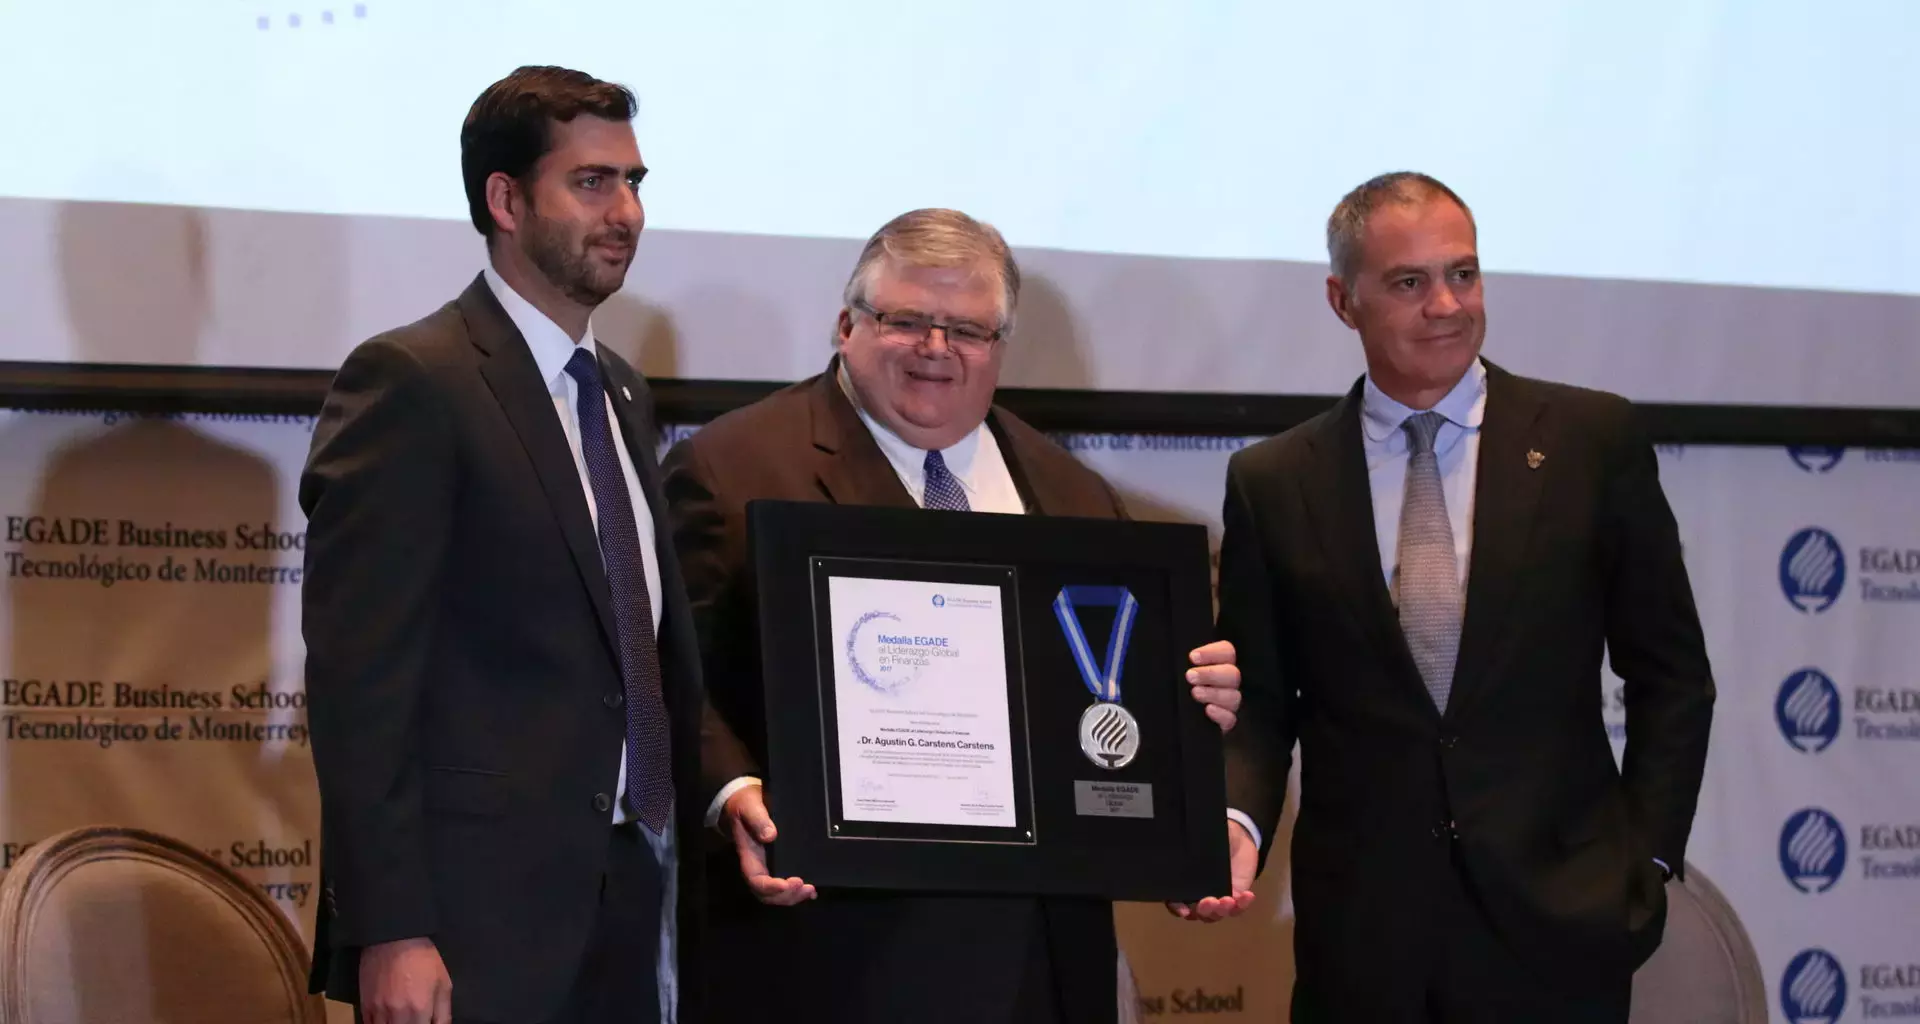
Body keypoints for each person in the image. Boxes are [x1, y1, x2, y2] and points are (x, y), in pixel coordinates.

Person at [660, 208, 1246, 1024]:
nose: (938, 350)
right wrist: (730, 789)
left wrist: (1188, 711)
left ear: (1001, 347)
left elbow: (1111, 700)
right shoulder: (731, 467)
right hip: (830, 952)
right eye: (906, 321)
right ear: (846, 325)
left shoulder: (1074, 495)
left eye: (968, 330)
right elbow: (666, 671)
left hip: (1039, 959)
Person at [1179, 172, 1715, 1022]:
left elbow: (1674, 676)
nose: (1446, 305)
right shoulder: (1276, 481)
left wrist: (1644, 863)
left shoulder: (1589, 442)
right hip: (1364, 941)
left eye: (1463, 274)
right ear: (1341, 299)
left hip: (1558, 927)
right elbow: (1261, 704)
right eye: (1408, 282)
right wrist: (1234, 825)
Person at [301, 66, 748, 1024]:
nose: (625, 210)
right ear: (505, 200)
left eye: (634, 182)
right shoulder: (411, 380)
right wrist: (391, 928)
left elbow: (639, 655)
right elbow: (359, 686)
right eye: (591, 182)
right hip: (474, 929)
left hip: (632, 898)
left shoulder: (621, 390)